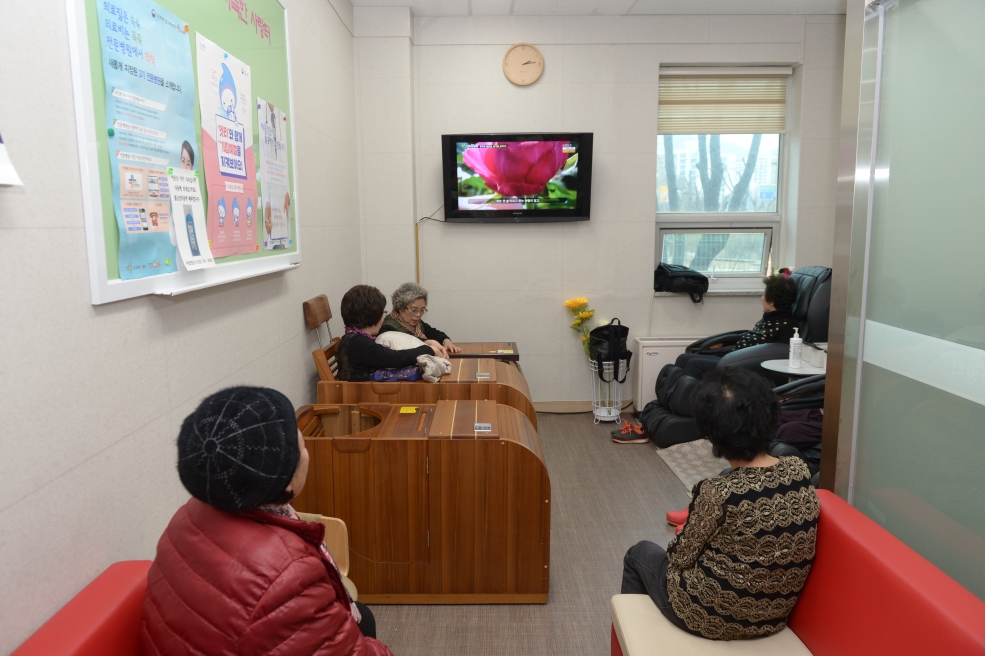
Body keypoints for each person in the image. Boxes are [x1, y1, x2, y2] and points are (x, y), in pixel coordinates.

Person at [141, 386, 393, 655]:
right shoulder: (287, 575)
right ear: (285, 482)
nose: (307, 454)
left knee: (363, 616)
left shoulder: (192, 511)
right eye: (302, 446)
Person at [620, 367, 819, 640]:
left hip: (707, 617)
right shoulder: (798, 469)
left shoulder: (717, 491)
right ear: (769, 415)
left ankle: (638, 638)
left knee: (638, 553)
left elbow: (679, 559)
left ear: (710, 433)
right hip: (771, 619)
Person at [674, 273, 799, 380]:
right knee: (683, 358)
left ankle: (683, 405)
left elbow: (781, 360)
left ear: (772, 302)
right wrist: (724, 343)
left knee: (694, 364)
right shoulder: (770, 318)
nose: (762, 299)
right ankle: (669, 402)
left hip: (745, 367)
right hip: (733, 356)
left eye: (764, 296)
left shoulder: (787, 326)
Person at [336, 284, 445, 381]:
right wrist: (429, 349)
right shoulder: (359, 343)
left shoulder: (354, 338)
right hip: (361, 394)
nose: (383, 317)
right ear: (373, 315)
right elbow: (396, 358)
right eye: (382, 312)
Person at [378, 282, 462, 354]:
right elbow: (406, 344)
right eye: (414, 310)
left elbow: (433, 332)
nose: (418, 314)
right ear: (400, 308)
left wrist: (446, 341)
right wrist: (426, 342)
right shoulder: (387, 328)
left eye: (422, 310)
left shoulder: (415, 322)